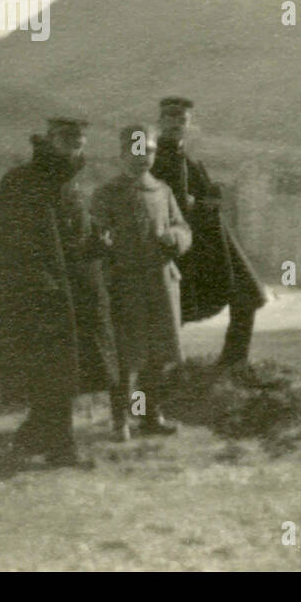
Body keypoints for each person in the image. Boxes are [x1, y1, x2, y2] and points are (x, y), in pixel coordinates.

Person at [0, 117, 117, 467]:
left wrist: (99, 240)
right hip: (37, 295)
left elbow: (78, 236)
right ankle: (62, 448)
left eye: (81, 139)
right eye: (68, 137)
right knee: (52, 371)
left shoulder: (70, 185)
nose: (76, 143)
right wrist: (32, 281)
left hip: (75, 295)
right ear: (49, 139)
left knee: (62, 371)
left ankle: (33, 437)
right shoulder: (21, 181)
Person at [150, 97, 270, 386]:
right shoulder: (156, 160)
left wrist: (207, 199)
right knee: (171, 311)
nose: (177, 124)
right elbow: (169, 203)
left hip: (214, 241)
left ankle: (233, 362)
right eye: (171, 118)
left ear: (189, 123)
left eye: (183, 119)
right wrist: (201, 203)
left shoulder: (185, 157)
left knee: (249, 295)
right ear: (160, 122)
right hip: (190, 247)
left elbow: (196, 197)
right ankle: (152, 384)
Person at [92, 125, 192, 441]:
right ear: (122, 155)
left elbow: (183, 228)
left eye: (147, 150)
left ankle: (149, 416)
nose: (142, 157)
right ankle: (121, 421)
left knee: (156, 356)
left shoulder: (162, 191)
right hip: (124, 285)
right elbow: (94, 236)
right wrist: (103, 243)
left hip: (161, 284)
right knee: (125, 358)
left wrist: (174, 239)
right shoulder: (106, 194)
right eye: (135, 151)